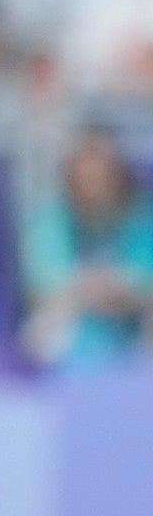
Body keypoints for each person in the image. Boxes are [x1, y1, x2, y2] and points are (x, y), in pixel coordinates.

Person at [20, 125, 153, 369]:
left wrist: (103, 287)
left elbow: (145, 280)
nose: (95, 179)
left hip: (130, 324)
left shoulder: (141, 216)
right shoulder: (50, 217)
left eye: (104, 172)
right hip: (71, 325)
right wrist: (97, 288)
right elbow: (42, 284)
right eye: (87, 172)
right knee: (43, 321)